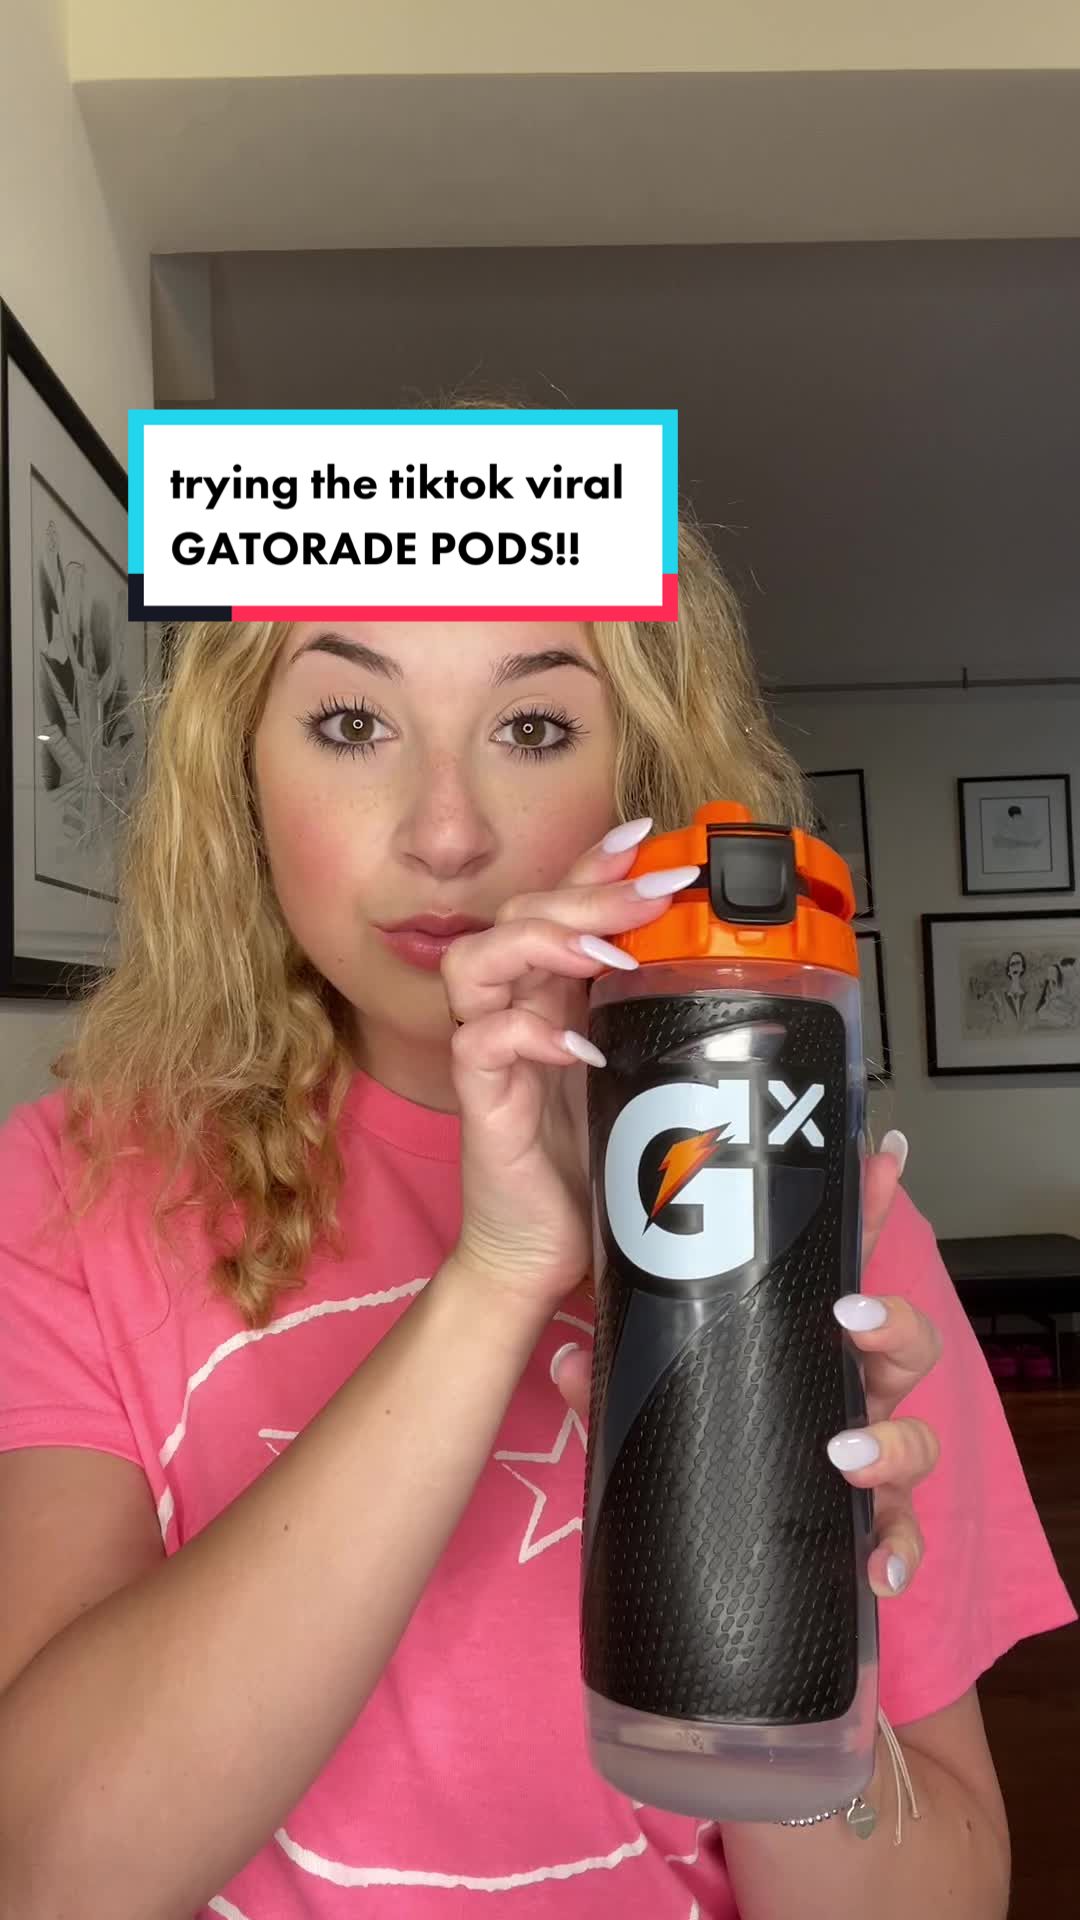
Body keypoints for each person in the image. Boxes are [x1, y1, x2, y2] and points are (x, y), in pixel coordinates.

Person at [0, 521, 1073, 1920]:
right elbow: (47, 1875)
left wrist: (789, 1683)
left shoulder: (818, 1222)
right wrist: (502, 1272)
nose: (448, 832)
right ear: (237, 781)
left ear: (643, 778)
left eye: (534, 727)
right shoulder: (73, 1184)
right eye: (351, 723)